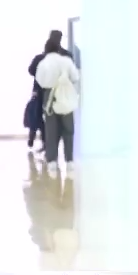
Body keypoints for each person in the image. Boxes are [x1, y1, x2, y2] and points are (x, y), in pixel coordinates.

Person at [35, 38, 80, 175]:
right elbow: (75, 77)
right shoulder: (66, 61)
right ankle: (69, 161)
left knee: (51, 130)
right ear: (58, 49)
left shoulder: (43, 63)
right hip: (65, 95)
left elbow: (40, 81)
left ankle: (52, 163)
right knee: (68, 130)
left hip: (50, 96)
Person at [27, 30, 73, 153]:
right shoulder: (66, 56)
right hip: (58, 91)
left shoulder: (42, 57)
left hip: (42, 91)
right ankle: (49, 145)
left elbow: (31, 70)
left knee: (40, 116)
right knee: (54, 119)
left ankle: (43, 142)